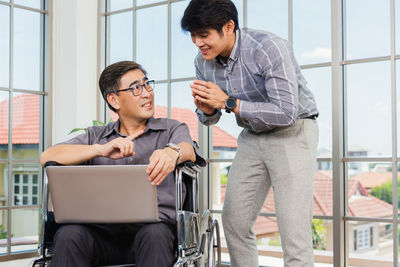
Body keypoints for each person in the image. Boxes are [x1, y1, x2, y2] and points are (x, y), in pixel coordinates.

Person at [181, 1, 319, 266]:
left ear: (229, 27)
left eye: (204, 34)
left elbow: (286, 112)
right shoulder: (203, 62)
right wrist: (207, 110)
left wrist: (229, 102)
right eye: (193, 35)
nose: (198, 42)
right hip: (252, 136)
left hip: (294, 131)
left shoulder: (268, 48)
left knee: (293, 227)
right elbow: (211, 119)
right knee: (234, 220)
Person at [40, 60, 205, 267]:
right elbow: (48, 156)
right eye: (136, 88)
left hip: (154, 231)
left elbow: (188, 149)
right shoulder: (96, 136)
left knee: (155, 235)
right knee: (69, 235)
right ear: (114, 100)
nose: (147, 93)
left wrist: (172, 152)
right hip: (99, 234)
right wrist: (101, 149)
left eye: (147, 84)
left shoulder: (171, 129)